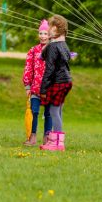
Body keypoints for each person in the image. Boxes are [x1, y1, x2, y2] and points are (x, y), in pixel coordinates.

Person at [39, 14, 72, 151]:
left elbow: (50, 69)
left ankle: (57, 143)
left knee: (53, 110)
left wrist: (43, 89)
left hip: (58, 82)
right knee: (58, 110)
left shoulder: (53, 47)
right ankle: (55, 141)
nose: (48, 30)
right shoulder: (63, 45)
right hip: (67, 81)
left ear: (57, 29)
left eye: (50, 27)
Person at [22, 19, 53, 146]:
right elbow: (28, 68)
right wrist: (27, 85)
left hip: (50, 88)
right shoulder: (33, 51)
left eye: (45, 33)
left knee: (49, 113)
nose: (43, 36)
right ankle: (32, 137)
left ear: (50, 35)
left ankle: (47, 138)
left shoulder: (53, 49)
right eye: (41, 33)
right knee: (34, 111)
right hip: (35, 88)